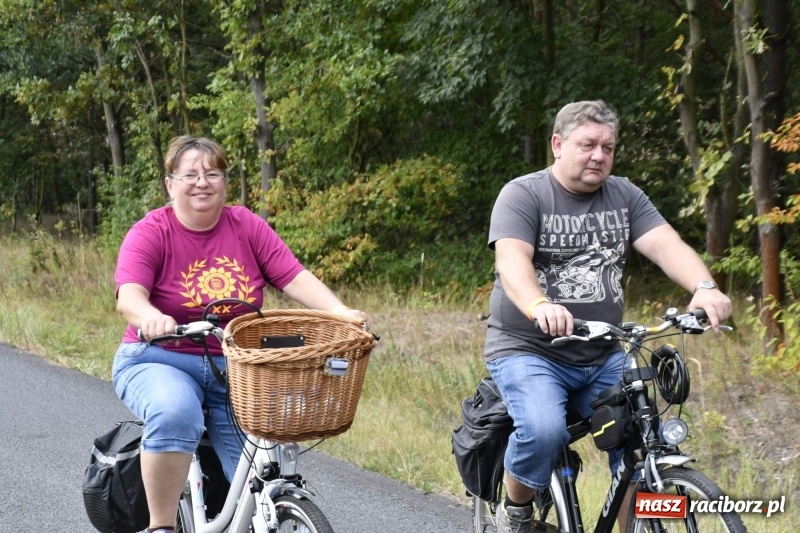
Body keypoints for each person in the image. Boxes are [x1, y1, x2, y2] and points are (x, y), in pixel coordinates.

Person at [483, 100, 732, 533]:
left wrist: (704, 287)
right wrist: (539, 305)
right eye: (588, 145)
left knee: (639, 441)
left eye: (608, 147)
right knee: (543, 431)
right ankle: (515, 510)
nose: (599, 155)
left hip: (601, 353)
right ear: (557, 145)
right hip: (530, 350)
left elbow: (664, 244)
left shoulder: (625, 195)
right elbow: (512, 261)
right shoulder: (523, 194)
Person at [112, 135, 369, 533]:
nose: (202, 182)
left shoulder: (245, 225)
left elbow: (292, 275)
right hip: (160, 357)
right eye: (190, 174)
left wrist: (338, 311)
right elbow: (129, 295)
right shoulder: (152, 231)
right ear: (170, 184)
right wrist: (150, 317)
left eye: (212, 173)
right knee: (175, 412)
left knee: (260, 473)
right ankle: (161, 526)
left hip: (236, 367)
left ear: (224, 181)